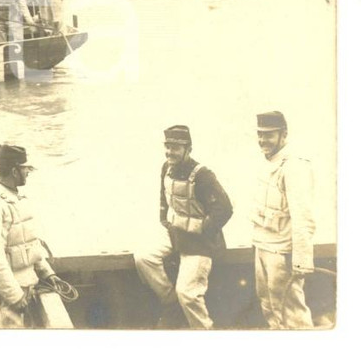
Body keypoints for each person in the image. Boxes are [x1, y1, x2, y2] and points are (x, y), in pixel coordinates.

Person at [134, 125, 233, 329]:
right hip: (175, 232)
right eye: (168, 147)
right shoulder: (166, 167)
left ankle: (205, 330)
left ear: (188, 149)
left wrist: (203, 230)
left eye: (176, 148)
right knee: (143, 258)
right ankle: (171, 303)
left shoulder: (203, 175)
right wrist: (164, 219)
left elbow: (225, 209)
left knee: (188, 293)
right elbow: (164, 196)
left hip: (201, 242)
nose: (170, 152)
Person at [0, 143, 71, 329]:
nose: (28, 173)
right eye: (26, 169)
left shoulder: (17, 198)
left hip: (29, 285)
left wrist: (47, 273)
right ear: (14, 171)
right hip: (8, 293)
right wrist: (14, 295)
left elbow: (29, 244)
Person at [252, 111, 316, 329]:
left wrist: (301, 260)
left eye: (269, 135)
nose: (263, 140)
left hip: (282, 253)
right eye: (260, 134)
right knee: (270, 307)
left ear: (283, 134)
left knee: (292, 313)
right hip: (263, 246)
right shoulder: (268, 162)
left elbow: (303, 218)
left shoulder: (294, 166)